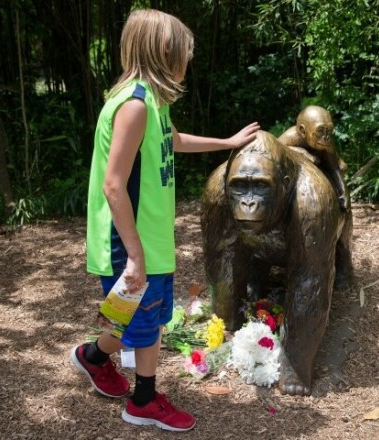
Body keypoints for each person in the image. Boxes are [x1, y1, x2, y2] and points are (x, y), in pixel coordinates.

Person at [69, 9, 259, 433]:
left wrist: (227, 142)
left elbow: (172, 140)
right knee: (148, 323)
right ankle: (143, 401)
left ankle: (93, 358)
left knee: (133, 315)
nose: (187, 61)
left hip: (148, 237)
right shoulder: (134, 106)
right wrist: (134, 255)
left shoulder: (150, 103)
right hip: (131, 242)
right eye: (185, 53)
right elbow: (114, 186)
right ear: (165, 54)